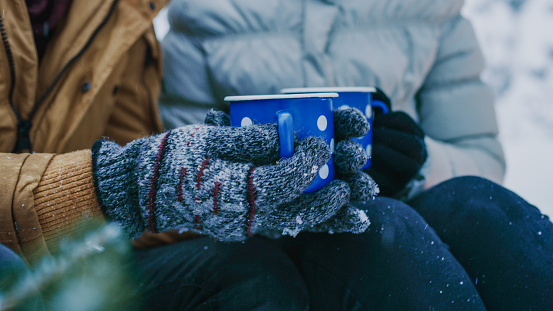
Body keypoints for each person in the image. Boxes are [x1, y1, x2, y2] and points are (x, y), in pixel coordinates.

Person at [158, 0, 553, 309]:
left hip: (409, 210)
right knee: (383, 226)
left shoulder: (435, 8)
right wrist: (257, 185)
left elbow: (480, 155)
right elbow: (175, 178)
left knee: (480, 206)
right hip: (271, 237)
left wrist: (416, 159)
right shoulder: (206, 13)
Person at [0, 0, 376, 310]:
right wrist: (127, 184)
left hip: (73, 261)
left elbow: (135, 174)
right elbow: (129, 181)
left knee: (254, 275)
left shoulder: (119, 12)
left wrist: (230, 201)